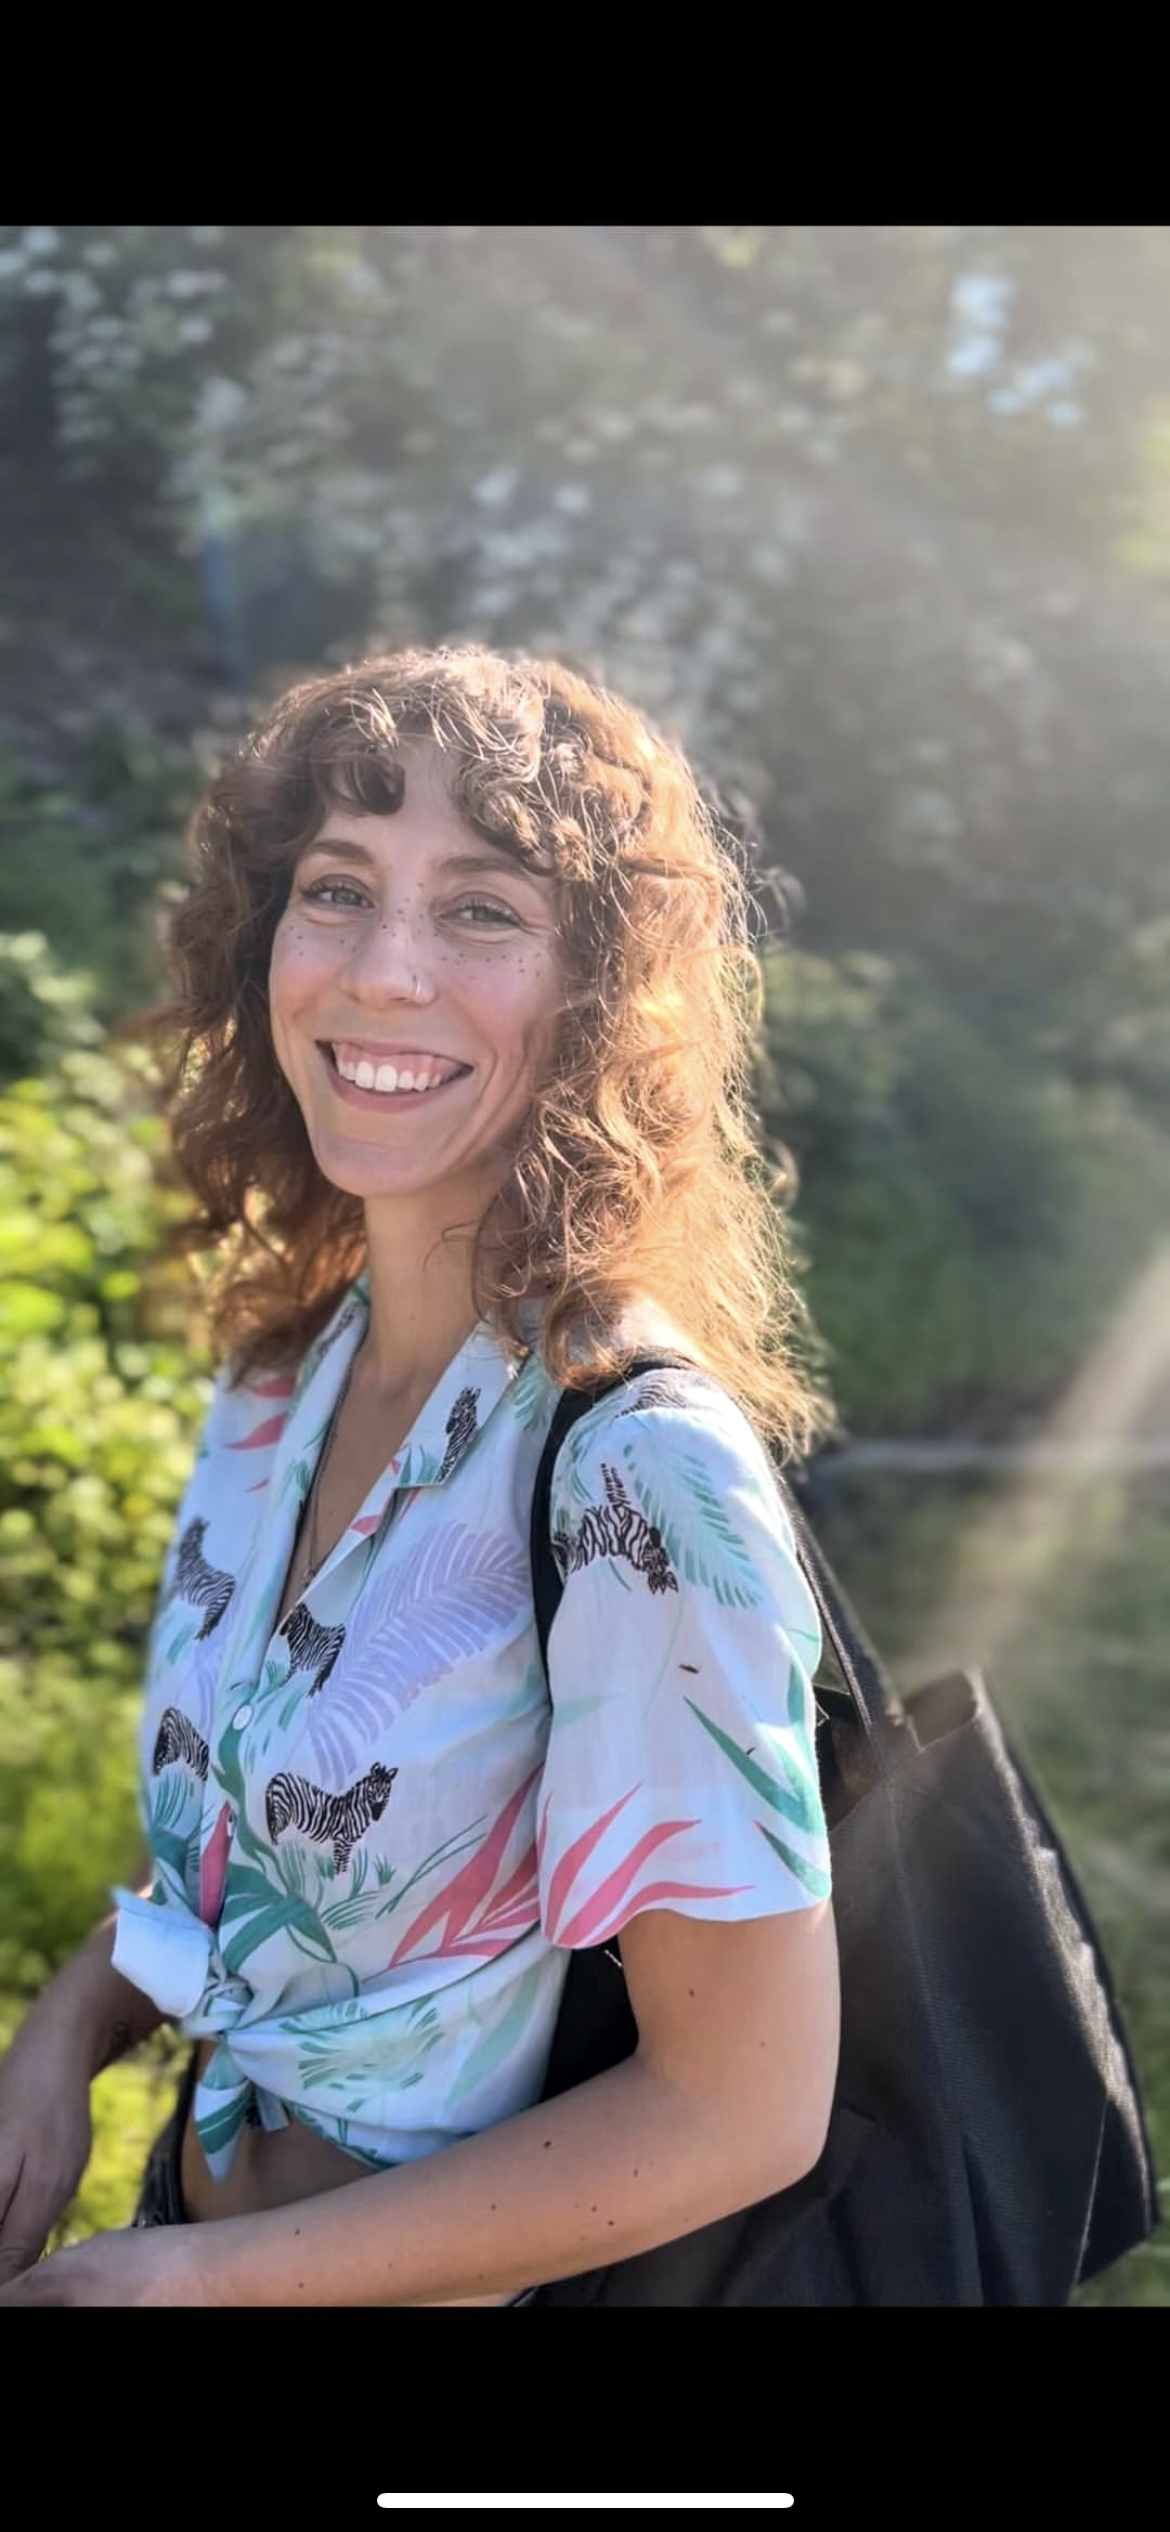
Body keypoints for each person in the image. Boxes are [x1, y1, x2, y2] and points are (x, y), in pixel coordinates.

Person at [0, 646, 841, 2307]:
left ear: (595, 997)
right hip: (175, 2227)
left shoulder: (630, 1470)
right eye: (336, 891)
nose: (385, 972)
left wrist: (189, 2288)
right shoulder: (276, 1387)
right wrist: (64, 2030)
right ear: (264, 950)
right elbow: (260, 1856)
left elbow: (739, 2108)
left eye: (480, 911)